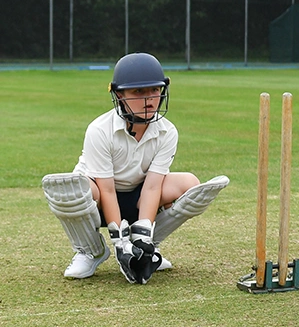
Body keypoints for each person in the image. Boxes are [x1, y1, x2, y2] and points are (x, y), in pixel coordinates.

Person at [42, 52, 229, 284]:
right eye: (138, 92)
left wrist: (142, 236)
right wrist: (119, 242)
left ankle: (149, 247)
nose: (149, 98)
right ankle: (90, 252)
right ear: (119, 95)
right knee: (70, 189)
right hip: (99, 199)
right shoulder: (100, 130)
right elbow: (107, 189)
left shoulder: (167, 131)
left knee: (190, 185)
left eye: (154, 90)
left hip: (138, 196)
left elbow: (152, 187)